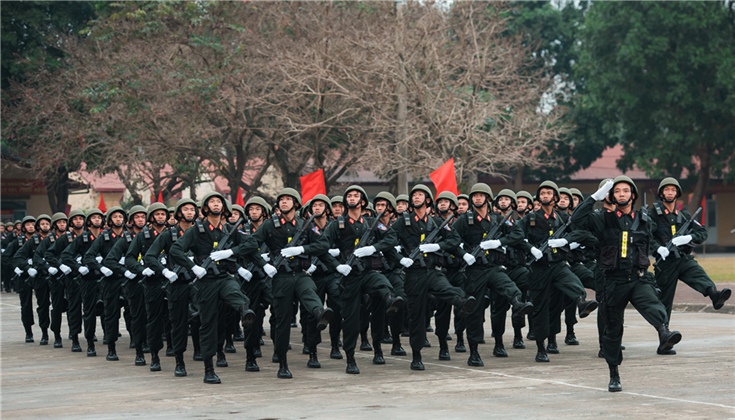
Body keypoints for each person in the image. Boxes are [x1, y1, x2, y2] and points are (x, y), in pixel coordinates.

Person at [573, 176, 682, 392]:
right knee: (613, 330)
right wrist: (594, 197)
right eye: (617, 191)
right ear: (611, 196)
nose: (621, 194)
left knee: (653, 302)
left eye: (625, 191)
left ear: (633, 195)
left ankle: (663, 332)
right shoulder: (602, 218)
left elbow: (646, 246)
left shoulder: (644, 219)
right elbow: (576, 220)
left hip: (638, 276)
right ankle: (614, 373)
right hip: (612, 281)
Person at [168, 191, 260, 384]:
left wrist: (231, 252)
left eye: (219, 202)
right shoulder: (196, 230)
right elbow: (175, 249)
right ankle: (208, 369)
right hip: (205, 281)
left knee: (237, 293)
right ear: (206, 208)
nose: (216, 204)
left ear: (224, 207)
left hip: (224, 276)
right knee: (208, 324)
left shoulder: (230, 229)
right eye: (212, 202)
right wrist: (193, 267)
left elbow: (252, 243)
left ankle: (245, 313)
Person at [247, 188, 335, 379]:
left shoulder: (305, 224)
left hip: (301, 274)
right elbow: (250, 245)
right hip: (280, 278)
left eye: (288, 200)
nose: (284, 202)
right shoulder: (269, 225)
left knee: (310, 292)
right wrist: (264, 265)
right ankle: (283, 363)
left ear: (295, 204)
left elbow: (322, 245)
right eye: (281, 200)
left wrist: (302, 248)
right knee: (282, 322)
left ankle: (321, 313)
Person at [391, 184, 476, 371]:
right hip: (414, 274)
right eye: (414, 195)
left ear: (427, 200)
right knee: (417, 316)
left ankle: (462, 302)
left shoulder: (437, 223)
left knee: (446, 288)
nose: (416, 197)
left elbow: (454, 240)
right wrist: (400, 258)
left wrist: (438, 247)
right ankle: (416, 355)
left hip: (433, 270)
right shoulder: (402, 222)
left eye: (420, 195)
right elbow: (388, 241)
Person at [517, 181, 598, 363]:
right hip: (539, 268)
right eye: (543, 193)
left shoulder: (562, 219)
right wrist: (531, 248)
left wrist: (567, 241)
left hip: (559, 264)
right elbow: (516, 236)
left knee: (572, 280)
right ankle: (540, 347)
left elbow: (580, 232)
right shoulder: (530, 218)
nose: (546, 195)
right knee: (540, 308)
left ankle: (581, 302)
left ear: (555, 198)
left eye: (549, 193)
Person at [651, 177, 730, 354]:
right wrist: (658, 248)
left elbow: (702, 231)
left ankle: (715, 296)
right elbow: (645, 235)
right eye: (666, 190)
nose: (670, 192)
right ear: (661, 193)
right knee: (664, 303)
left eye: (673, 190)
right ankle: (664, 339)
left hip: (682, 259)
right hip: (666, 263)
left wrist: (689, 238)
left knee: (697, 272)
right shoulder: (652, 215)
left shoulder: (684, 216)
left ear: (677, 193)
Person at [144, 198, 201, 377]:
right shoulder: (169, 235)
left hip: (198, 282)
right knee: (177, 323)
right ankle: (174, 359)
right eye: (186, 209)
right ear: (178, 213)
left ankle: (201, 352)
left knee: (201, 319)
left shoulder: (202, 232)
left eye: (192, 209)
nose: (190, 212)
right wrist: (164, 271)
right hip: (177, 283)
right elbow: (150, 256)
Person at [84, 206, 128, 361]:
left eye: (120, 217)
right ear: (109, 220)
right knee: (111, 315)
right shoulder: (103, 237)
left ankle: (139, 344)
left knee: (135, 312)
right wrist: (101, 267)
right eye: (115, 217)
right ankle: (111, 347)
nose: (118, 219)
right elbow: (88, 257)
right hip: (110, 280)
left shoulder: (129, 236)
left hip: (127, 278)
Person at [60, 209, 105, 356]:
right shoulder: (82, 238)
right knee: (86, 311)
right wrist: (78, 267)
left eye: (99, 217)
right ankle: (80, 340)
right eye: (94, 218)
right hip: (87, 279)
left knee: (108, 310)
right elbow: (66, 255)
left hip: (104, 278)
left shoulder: (106, 237)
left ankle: (109, 341)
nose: (97, 220)